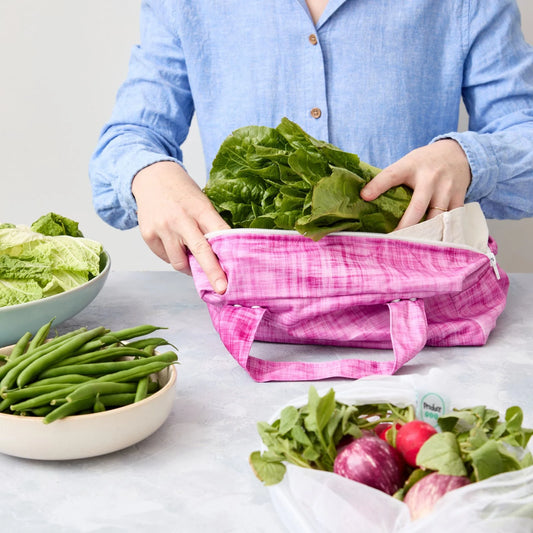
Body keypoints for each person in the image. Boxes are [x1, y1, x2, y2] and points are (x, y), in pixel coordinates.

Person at [89, 0, 533, 295]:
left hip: (417, 312)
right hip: (248, 318)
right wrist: (146, 174)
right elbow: (128, 138)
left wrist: (468, 159)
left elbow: (524, 140)